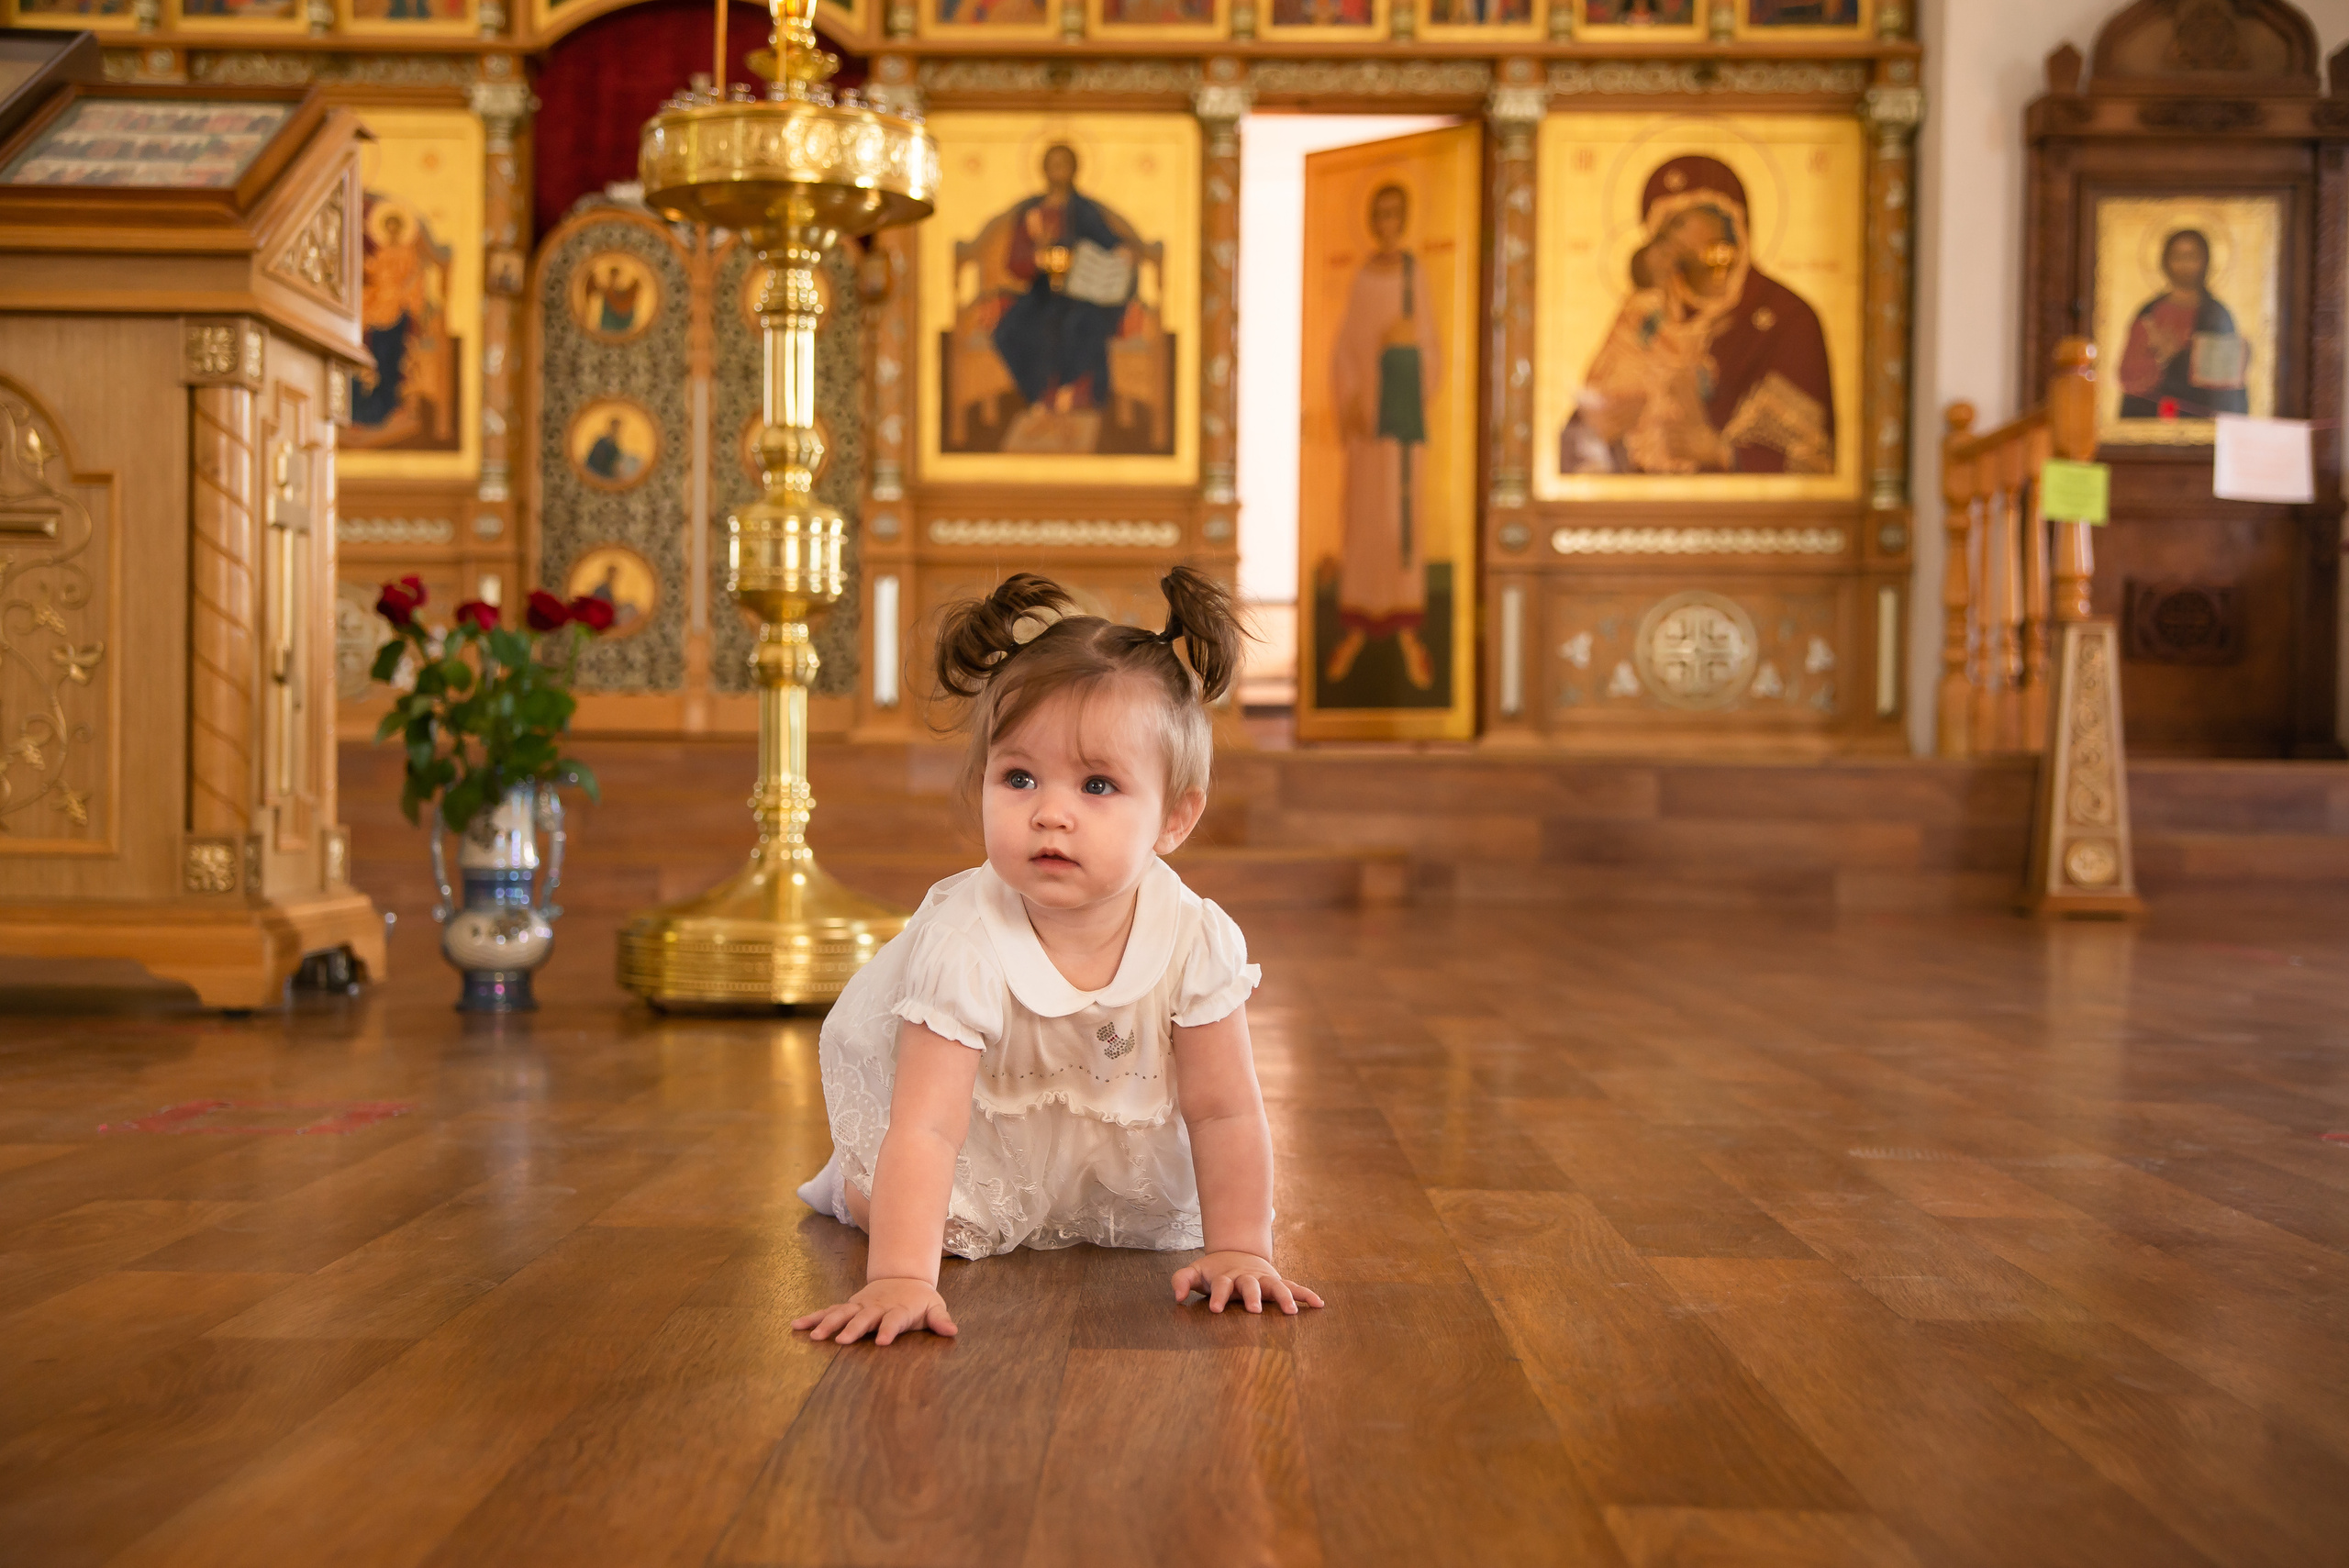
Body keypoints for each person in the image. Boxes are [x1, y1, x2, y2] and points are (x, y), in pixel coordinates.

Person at [792, 568, 1325, 1345]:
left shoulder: (1192, 937)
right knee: (904, 1207)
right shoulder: (965, 941)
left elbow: (1224, 1109)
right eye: (1019, 777)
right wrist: (899, 1274)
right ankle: (871, 1198)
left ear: (1174, 818)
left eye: (1098, 785)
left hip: (1118, 1164)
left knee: (1182, 1199)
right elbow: (929, 1125)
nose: (1050, 812)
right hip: (984, 1146)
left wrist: (1241, 1245)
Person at [1561, 155, 1835, 476]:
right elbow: (1569, 452)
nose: (1679, 247)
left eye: (1689, 226)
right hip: (1640, 513)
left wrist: (1719, 451)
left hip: (1744, 521)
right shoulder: (1641, 319)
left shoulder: (1787, 319)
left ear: (1735, 231)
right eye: (1667, 233)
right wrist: (1598, 430)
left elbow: (1814, 462)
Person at [1328, 183, 1442, 692]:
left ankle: (1407, 634)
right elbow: (1345, 348)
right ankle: (1356, 627)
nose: (1388, 222)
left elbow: (1432, 348)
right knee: (1363, 520)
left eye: (1396, 214)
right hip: (1365, 429)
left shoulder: (1415, 277)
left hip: (1399, 425)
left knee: (1400, 523)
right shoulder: (1362, 278)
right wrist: (1351, 398)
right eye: (1381, 214)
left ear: (1406, 218)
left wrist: (1406, 357)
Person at [990, 144, 1137, 425]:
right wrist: (1037, 257)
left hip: (1082, 291)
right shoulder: (1031, 213)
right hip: (1042, 290)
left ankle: (1071, 391)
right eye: (1052, 165)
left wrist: (1120, 250)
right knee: (1009, 330)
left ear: (1074, 170)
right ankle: (1038, 395)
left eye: (1064, 165)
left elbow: (1107, 241)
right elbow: (1015, 262)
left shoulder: (1083, 211)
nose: (1058, 172)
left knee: (1079, 323)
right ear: (1043, 170)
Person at [2119, 228, 2250, 419]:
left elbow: (2226, 377)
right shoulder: (2149, 312)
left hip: (2201, 413)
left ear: (2205, 262)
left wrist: (2179, 356)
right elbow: (2129, 372)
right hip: (2150, 412)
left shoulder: (2216, 314)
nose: (2184, 264)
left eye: (2192, 257)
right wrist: (2157, 361)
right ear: (2165, 261)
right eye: (2178, 257)